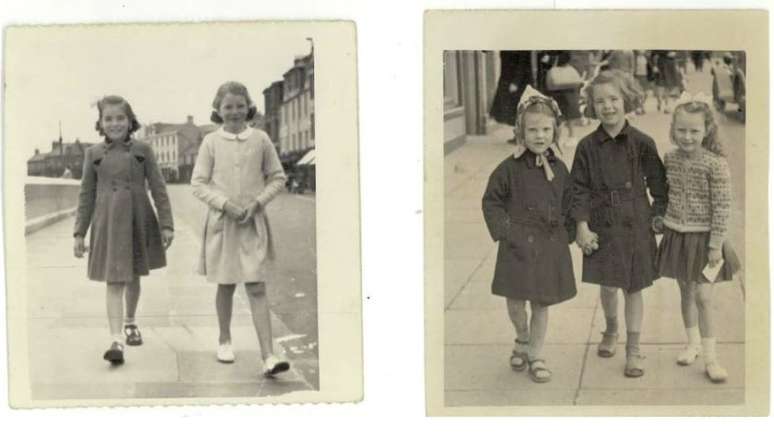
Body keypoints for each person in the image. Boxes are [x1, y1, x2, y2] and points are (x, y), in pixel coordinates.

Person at [570, 70, 667, 378]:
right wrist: (581, 226)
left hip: (636, 220)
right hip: (602, 221)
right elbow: (578, 189)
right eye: (600, 101)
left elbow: (659, 185)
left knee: (634, 287)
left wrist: (659, 215)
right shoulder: (586, 146)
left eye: (614, 99)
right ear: (591, 105)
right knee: (609, 284)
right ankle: (611, 329)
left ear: (627, 100)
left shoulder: (642, 142)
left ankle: (634, 348)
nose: (608, 106)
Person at [191, 81, 290, 377]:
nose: (234, 112)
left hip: (252, 223)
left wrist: (258, 203)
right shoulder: (210, 142)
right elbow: (197, 183)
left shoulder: (260, 139)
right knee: (225, 284)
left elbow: (277, 177)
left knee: (257, 286)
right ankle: (224, 339)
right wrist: (225, 205)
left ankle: (268, 355)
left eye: (240, 106)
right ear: (218, 111)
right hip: (222, 224)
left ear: (249, 107)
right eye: (228, 107)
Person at [482, 86, 577, 383]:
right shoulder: (508, 169)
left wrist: (568, 232)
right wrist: (505, 231)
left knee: (541, 302)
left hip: (548, 246)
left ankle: (535, 353)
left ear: (555, 131)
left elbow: (570, 201)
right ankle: (522, 337)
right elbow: (492, 201)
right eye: (533, 130)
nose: (540, 136)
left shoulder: (559, 168)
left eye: (546, 129)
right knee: (515, 301)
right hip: (516, 246)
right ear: (520, 131)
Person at [73, 95, 174, 365]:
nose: (115, 123)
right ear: (100, 123)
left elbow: (158, 187)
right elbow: (86, 194)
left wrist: (166, 224)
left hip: (137, 219)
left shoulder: (143, 150)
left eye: (120, 118)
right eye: (109, 119)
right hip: (107, 222)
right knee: (113, 279)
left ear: (130, 121)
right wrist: (79, 232)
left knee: (133, 276)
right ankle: (116, 339)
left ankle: (130, 320)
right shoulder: (92, 154)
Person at [655, 93, 740, 383]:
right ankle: (691, 344)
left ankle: (711, 358)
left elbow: (723, 207)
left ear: (706, 130)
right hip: (678, 236)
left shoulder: (715, 164)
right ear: (673, 130)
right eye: (682, 130)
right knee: (686, 293)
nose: (688, 137)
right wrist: (660, 220)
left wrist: (716, 244)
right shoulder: (670, 158)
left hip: (706, 241)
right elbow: (668, 196)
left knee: (704, 297)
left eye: (694, 131)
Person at [489, 51, 534, 143]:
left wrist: (516, 82)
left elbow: (523, 64)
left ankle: (522, 137)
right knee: (514, 109)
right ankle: (518, 135)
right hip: (508, 80)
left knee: (519, 108)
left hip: (519, 82)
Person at [545, 51, 583, 147]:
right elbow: (578, 83)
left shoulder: (553, 71)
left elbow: (549, 85)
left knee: (559, 119)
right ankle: (571, 137)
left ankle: (558, 138)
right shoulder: (572, 70)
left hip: (559, 97)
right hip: (570, 97)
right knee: (569, 119)